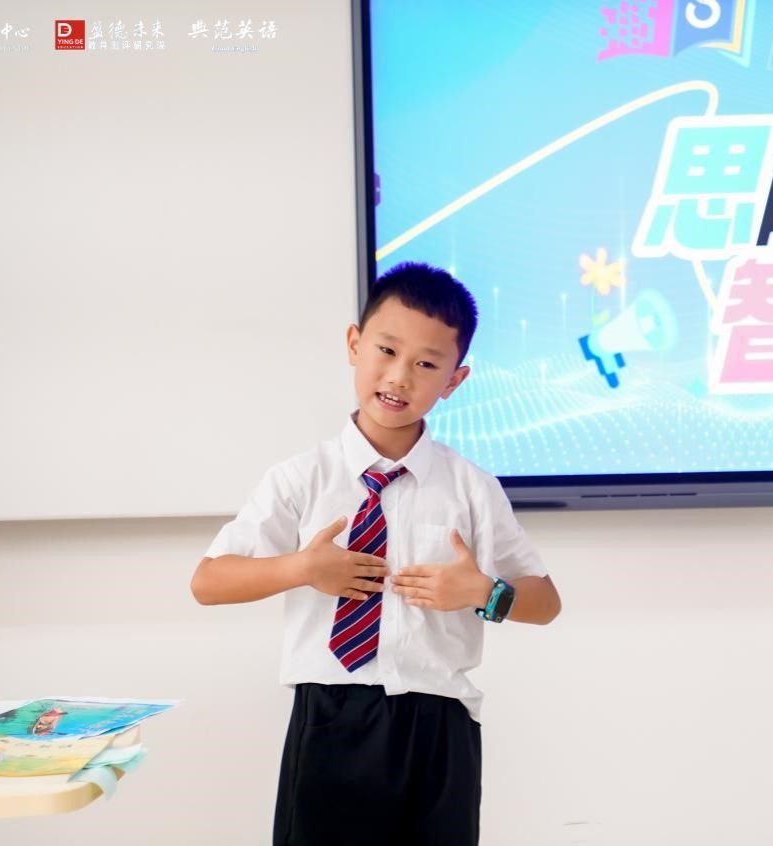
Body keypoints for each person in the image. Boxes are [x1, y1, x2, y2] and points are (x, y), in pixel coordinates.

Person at [190, 261, 561, 846]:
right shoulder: (301, 478)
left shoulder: (472, 488)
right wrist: (301, 568)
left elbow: (545, 602)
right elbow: (209, 581)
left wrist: (484, 592)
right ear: (354, 344)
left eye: (427, 364)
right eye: (387, 351)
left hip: (440, 724)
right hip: (330, 718)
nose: (399, 377)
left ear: (455, 380)